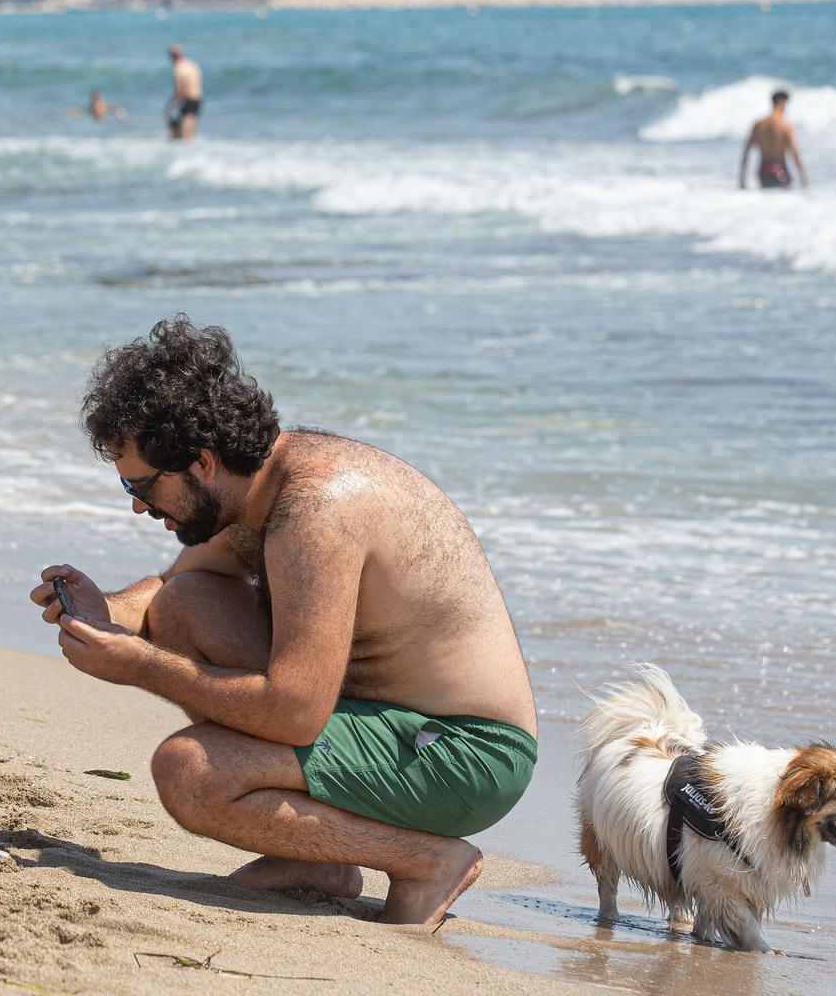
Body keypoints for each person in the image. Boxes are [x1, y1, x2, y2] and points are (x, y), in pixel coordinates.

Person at [31, 317, 537, 928]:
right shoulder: (260, 488)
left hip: (464, 754)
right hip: (383, 722)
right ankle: (316, 859)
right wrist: (102, 613)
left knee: (190, 772)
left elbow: (295, 710)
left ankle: (427, 860)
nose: (137, 504)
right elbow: (167, 591)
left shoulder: (314, 511)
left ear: (203, 462)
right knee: (187, 601)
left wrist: (140, 666)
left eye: (140, 485)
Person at [739, 88, 807, 190]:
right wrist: (803, 178)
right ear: (782, 102)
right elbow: (794, 153)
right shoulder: (785, 125)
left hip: (763, 170)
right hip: (780, 170)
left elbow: (746, 151)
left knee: (768, 202)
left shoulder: (758, 125)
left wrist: (742, 179)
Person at [163, 45, 203, 141]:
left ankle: (179, 152)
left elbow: (180, 90)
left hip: (188, 100)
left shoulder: (178, 68)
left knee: (183, 135)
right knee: (191, 132)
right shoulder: (192, 64)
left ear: (172, 56)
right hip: (198, 99)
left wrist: (170, 104)